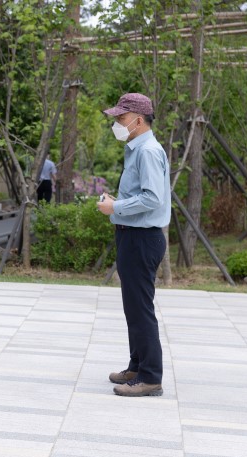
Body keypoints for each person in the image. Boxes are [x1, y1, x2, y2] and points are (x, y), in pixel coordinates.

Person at [97, 92, 170, 397]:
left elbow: (153, 198)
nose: (117, 123)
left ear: (138, 120)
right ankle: (137, 365)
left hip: (142, 238)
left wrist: (116, 207)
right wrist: (118, 204)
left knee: (140, 309)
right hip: (132, 236)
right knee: (133, 307)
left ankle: (150, 376)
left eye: (121, 118)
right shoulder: (136, 149)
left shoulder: (148, 152)